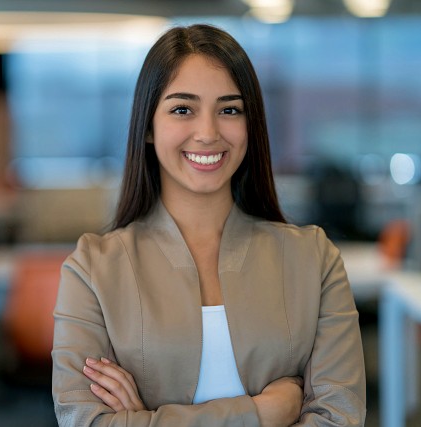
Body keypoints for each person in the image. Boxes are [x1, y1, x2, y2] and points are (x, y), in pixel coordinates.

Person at [51, 23, 366, 427]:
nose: (208, 133)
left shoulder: (314, 259)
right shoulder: (92, 268)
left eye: (229, 109)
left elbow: (339, 418)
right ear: (148, 126)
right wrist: (261, 413)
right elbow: (86, 421)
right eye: (183, 109)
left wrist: (145, 419)